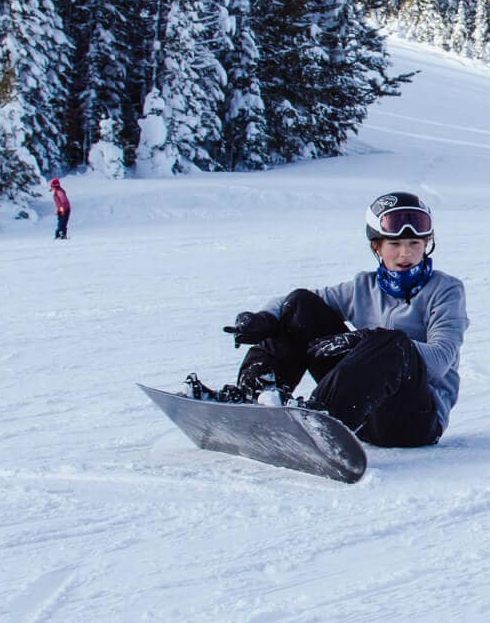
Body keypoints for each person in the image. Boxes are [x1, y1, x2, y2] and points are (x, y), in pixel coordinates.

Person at [192, 191, 469, 448]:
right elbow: (295, 302)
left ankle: (320, 421)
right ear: (377, 247)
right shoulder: (363, 287)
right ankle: (256, 394)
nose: (405, 254)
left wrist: (367, 340)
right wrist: (265, 318)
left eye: (414, 244)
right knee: (301, 305)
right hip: (363, 411)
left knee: (392, 342)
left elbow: (440, 359)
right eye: (394, 244)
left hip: (413, 422)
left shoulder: (446, 290)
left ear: (427, 244)